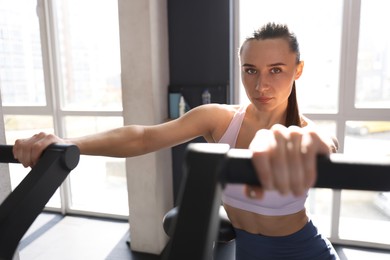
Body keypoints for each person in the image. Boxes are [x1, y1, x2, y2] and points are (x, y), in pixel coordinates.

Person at [12, 23, 339, 259]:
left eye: (276, 70)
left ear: (298, 71)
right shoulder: (219, 119)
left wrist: (309, 144)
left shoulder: (306, 130)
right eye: (251, 70)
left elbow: (322, 141)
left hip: (305, 251)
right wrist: (68, 144)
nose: (261, 85)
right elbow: (143, 137)